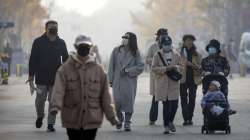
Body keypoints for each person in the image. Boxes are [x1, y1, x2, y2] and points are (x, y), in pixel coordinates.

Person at [50, 35, 119, 140]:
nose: (84, 48)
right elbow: (59, 90)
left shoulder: (98, 70)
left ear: (90, 47)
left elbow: (105, 96)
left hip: (92, 118)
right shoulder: (65, 69)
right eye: (81, 46)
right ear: (76, 47)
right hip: (71, 117)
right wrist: (55, 106)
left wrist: (112, 117)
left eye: (86, 46)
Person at [28, 20, 69, 132]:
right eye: (51, 27)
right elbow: (33, 60)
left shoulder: (61, 43)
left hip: (56, 78)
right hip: (41, 78)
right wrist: (31, 76)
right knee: (40, 101)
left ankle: (51, 124)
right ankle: (40, 116)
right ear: (46, 29)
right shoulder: (38, 42)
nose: (54, 29)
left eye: (55, 27)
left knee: (53, 102)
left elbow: (66, 59)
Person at [108, 32, 144, 131]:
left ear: (131, 40)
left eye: (126, 37)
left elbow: (140, 66)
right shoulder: (116, 50)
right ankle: (120, 118)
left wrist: (128, 71)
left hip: (129, 81)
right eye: (123, 37)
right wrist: (110, 80)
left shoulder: (136, 52)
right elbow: (111, 66)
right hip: (117, 81)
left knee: (129, 102)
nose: (124, 39)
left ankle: (127, 122)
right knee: (117, 102)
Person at [152, 36, 182, 134]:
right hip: (162, 84)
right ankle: (166, 126)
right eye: (165, 44)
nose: (167, 46)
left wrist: (177, 67)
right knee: (166, 106)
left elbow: (182, 67)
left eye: (169, 44)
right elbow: (154, 68)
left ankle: (170, 121)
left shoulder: (176, 55)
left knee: (175, 106)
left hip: (174, 84)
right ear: (161, 45)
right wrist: (165, 69)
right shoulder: (157, 55)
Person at [201, 39, 236, 114]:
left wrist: (223, 73)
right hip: (208, 83)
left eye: (213, 47)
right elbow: (201, 70)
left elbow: (227, 68)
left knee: (223, 97)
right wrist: (204, 73)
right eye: (210, 47)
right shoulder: (204, 60)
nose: (211, 49)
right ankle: (207, 114)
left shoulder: (223, 60)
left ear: (217, 49)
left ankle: (226, 110)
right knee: (207, 98)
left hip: (221, 82)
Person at [146, 28, 168, 125]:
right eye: (161, 35)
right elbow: (147, 59)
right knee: (155, 98)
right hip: (156, 75)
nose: (163, 36)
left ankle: (166, 120)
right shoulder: (152, 47)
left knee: (165, 99)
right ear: (158, 36)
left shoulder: (170, 46)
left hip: (166, 75)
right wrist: (156, 61)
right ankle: (152, 119)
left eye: (165, 35)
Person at [179, 34, 202, 126]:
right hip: (182, 79)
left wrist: (193, 65)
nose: (189, 42)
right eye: (187, 40)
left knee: (192, 99)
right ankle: (186, 118)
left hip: (193, 79)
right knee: (183, 99)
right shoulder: (179, 53)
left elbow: (201, 67)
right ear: (184, 42)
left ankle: (190, 117)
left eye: (191, 40)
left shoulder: (197, 54)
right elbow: (177, 64)